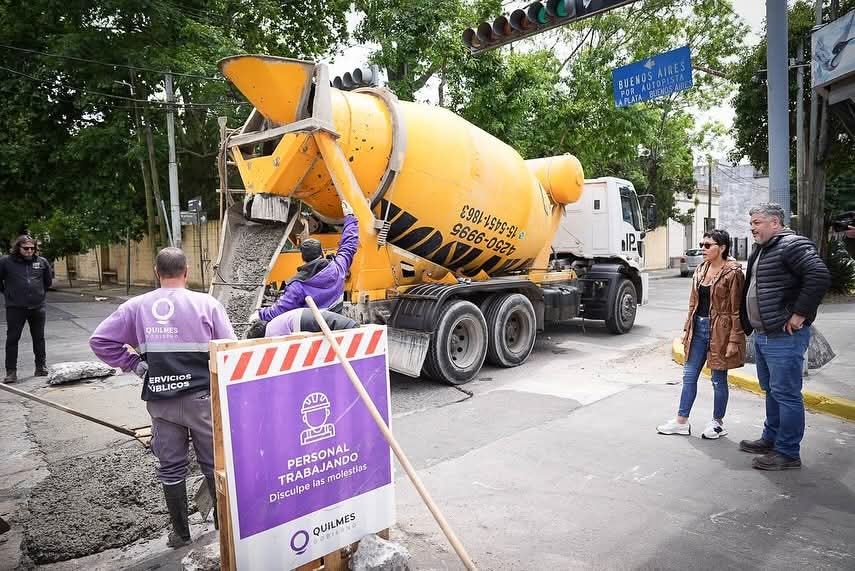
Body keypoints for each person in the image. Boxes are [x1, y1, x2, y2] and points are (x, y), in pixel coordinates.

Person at [89, 247, 235, 547]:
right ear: (187, 272)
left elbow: (100, 340)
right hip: (202, 401)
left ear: (157, 272)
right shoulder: (207, 305)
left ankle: (180, 534)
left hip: (161, 402)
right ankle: (224, 530)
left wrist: (134, 364)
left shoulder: (137, 306)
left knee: (170, 466)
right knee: (213, 463)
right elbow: (229, 351)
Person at [738, 203, 830, 471]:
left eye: (757, 222)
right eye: (752, 222)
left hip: (784, 335)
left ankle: (788, 452)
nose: (752, 227)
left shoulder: (792, 244)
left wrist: (799, 313)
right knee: (772, 391)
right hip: (765, 334)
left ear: (775, 223)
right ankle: (771, 439)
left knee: (787, 394)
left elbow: (819, 275)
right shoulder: (764, 249)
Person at [657, 229, 746, 439]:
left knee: (718, 379)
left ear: (722, 248)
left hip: (721, 332)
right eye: (702, 244)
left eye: (708, 245)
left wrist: (735, 338)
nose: (702, 249)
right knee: (689, 376)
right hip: (698, 328)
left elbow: (736, 309)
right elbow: (693, 303)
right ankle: (681, 421)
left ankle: (717, 423)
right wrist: (687, 328)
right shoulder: (700, 269)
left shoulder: (733, 273)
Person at [250, 201, 358, 326]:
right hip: (337, 325)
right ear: (321, 253)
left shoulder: (298, 286)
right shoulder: (338, 268)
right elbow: (349, 245)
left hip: (311, 334)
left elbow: (280, 310)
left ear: (303, 258)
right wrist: (350, 217)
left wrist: (260, 314)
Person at [1, 235, 52, 383]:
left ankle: (40, 367)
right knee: (12, 339)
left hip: (37, 307)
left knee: (39, 338)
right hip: (15, 308)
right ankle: (11, 372)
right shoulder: (6, 262)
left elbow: (47, 282)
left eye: (32, 248)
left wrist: (38, 295)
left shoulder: (41, 262)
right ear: (18, 248)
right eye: (26, 248)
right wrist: (9, 293)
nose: (30, 251)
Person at [246, 307, 358, 339]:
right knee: (334, 324)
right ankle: (353, 327)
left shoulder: (271, 335)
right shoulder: (273, 323)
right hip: (305, 314)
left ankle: (353, 328)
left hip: (302, 321)